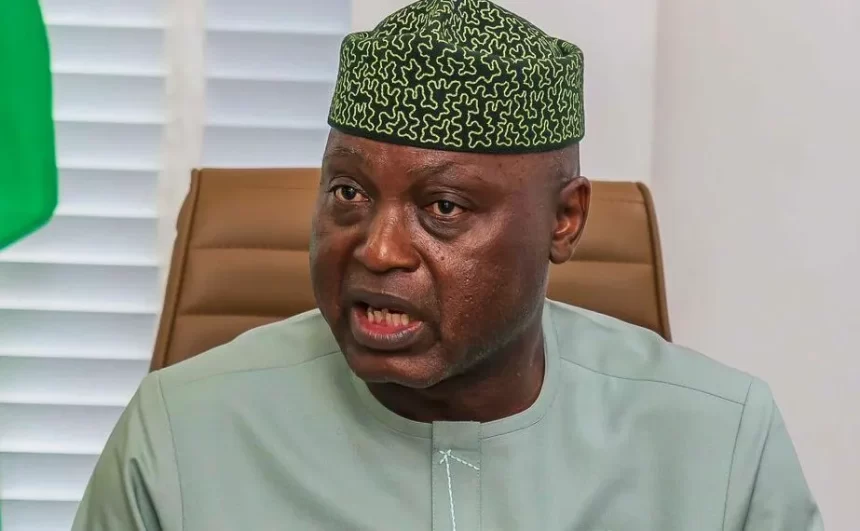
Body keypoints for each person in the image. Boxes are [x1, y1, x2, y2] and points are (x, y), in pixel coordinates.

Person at [72, 0, 824, 529]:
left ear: (565, 220)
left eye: (444, 207)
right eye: (348, 192)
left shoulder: (721, 443)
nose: (378, 249)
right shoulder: (180, 436)